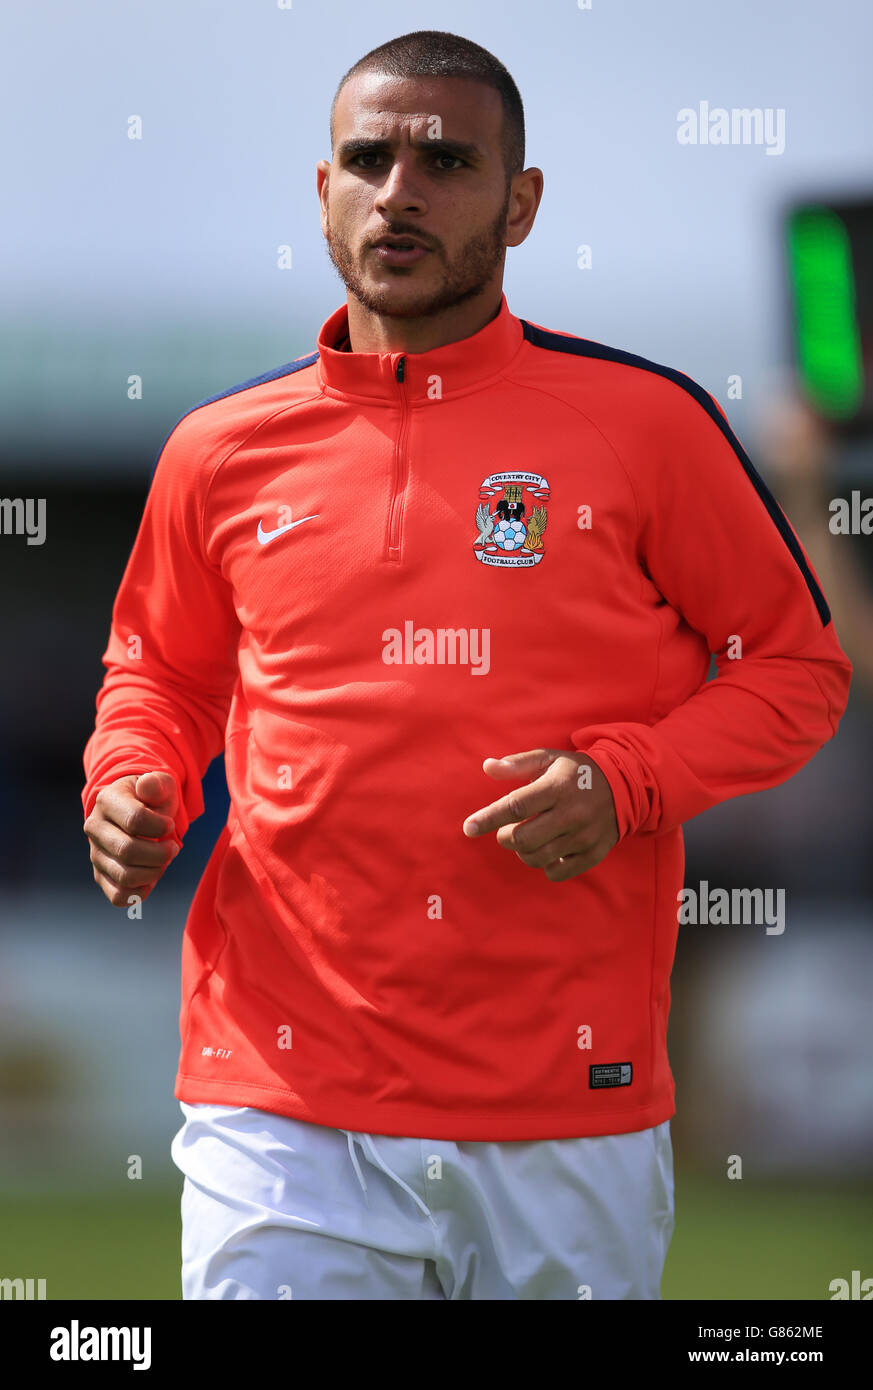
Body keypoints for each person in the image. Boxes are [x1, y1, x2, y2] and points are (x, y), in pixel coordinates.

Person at [81, 30, 852, 1300]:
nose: (401, 189)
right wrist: (131, 775)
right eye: (368, 158)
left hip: (569, 1099)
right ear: (321, 191)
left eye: (446, 159)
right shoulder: (218, 448)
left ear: (522, 202)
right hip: (279, 1095)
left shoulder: (644, 424)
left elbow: (794, 669)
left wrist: (630, 779)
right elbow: (158, 672)